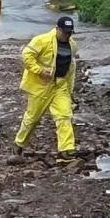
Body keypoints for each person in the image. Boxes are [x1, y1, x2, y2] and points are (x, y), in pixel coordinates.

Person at [12, 16, 79, 163]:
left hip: (60, 86)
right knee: (32, 119)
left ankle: (66, 150)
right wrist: (39, 70)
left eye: (70, 33)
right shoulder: (41, 40)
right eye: (65, 32)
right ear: (57, 29)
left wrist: (70, 89)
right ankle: (19, 144)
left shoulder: (72, 45)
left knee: (64, 116)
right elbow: (27, 55)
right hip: (40, 87)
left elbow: (71, 68)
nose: (67, 35)